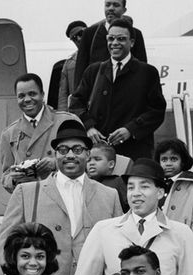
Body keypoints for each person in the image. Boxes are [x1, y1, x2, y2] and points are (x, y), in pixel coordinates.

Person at [0, 120, 123, 275]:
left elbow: (118, 249)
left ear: (88, 154)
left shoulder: (109, 195)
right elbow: (3, 246)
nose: (70, 155)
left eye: (77, 150)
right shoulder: (26, 193)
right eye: (63, 150)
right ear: (55, 154)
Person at [69, 19, 165, 160]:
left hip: (134, 151)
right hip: (99, 154)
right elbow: (76, 103)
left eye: (121, 39)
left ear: (131, 42)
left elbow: (157, 110)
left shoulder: (147, 72)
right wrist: (89, 127)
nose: (114, 43)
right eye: (111, 39)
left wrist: (130, 129)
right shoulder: (93, 71)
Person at [0, 73, 80, 193]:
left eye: (32, 94)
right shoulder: (9, 134)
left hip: (64, 194)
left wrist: (56, 163)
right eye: (21, 96)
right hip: (29, 198)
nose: (27, 100)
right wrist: (14, 179)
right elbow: (6, 175)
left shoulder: (67, 121)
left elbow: (86, 160)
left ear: (42, 95)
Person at [154, 138, 193, 255]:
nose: (168, 163)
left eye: (173, 159)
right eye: (164, 159)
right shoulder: (153, 184)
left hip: (184, 247)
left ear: (183, 162)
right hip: (155, 247)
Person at [74, 0, 147, 86]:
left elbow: (142, 68)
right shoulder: (90, 33)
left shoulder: (135, 34)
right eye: (107, 5)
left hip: (126, 91)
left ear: (124, 10)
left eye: (116, 5)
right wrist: (78, 95)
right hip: (96, 92)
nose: (111, 8)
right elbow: (80, 69)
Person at [86, 143, 128, 212]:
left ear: (111, 164)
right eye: (88, 160)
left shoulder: (118, 182)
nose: (91, 163)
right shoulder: (84, 183)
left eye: (97, 159)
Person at [56, 20, 87, 111]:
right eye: (74, 38)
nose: (78, 39)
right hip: (79, 111)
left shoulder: (100, 56)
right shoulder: (69, 64)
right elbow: (63, 96)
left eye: (81, 34)